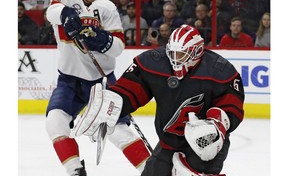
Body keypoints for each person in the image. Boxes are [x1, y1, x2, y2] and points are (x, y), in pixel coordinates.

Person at [73, 24, 245, 175]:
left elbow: (232, 105)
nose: (175, 60)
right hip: (168, 143)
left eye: (181, 55)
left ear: (197, 52)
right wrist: (113, 103)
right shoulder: (154, 62)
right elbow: (132, 89)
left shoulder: (219, 70)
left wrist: (216, 124)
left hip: (205, 146)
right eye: (172, 53)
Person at [45, 0, 150, 176]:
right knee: (54, 122)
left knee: (117, 131)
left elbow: (119, 47)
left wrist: (100, 39)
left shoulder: (107, 7)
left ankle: (151, 170)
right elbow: (51, 11)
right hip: (69, 82)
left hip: (101, 83)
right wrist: (67, 15)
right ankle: (75, 170)